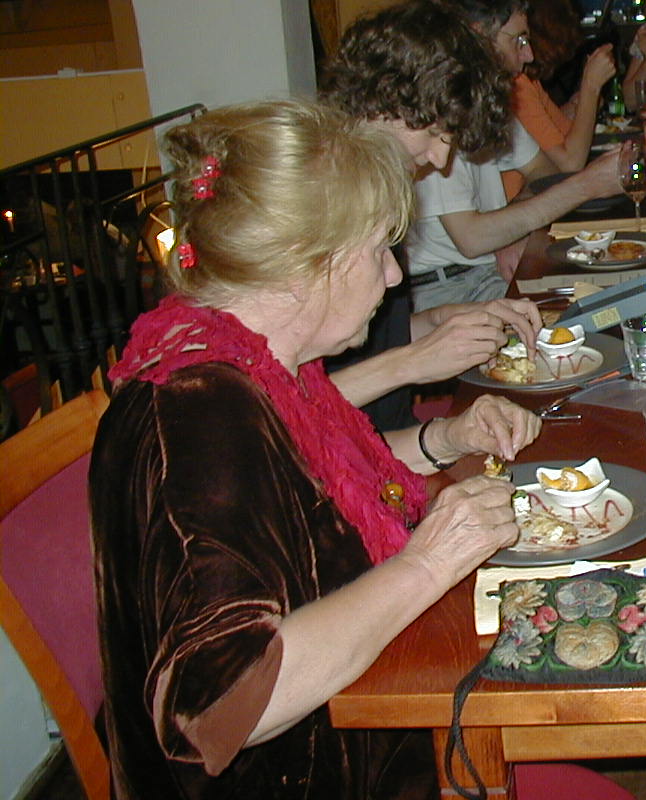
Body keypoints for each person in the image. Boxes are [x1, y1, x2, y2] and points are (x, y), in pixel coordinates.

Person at [91, 100, 540, 798]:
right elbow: (219, 704)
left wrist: (441, 438)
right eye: (378, 252)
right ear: (304, 268)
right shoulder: (196, 414)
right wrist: (429, 563)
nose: (394, 278)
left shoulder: (259, 362)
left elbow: (311, 488)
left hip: (372, 714)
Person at [319, 0, 542, 433]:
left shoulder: (380, 190)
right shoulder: (317, 206)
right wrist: (411, 363)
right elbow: (279, 412)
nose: (440, 161)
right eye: (438, 133)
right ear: (385, 100)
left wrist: (443, 321)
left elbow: (365, 348)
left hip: (392, 442)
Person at [401, 0, 624, 312]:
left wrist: (513, 231)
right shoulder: (436, 114)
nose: (529, 54)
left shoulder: (490, 101)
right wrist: (587, 185)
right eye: (518, 40)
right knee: (586, 315)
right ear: (479, 37)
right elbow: (472, 238)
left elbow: (543, 172)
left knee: (608, 300)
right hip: (445, 288)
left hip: (483, 272)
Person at [508, 0, 617, 174]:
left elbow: (566, 133)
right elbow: (570, 163)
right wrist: (590, 87)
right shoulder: (518, 85)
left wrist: (579, 104)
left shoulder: (529, 81)